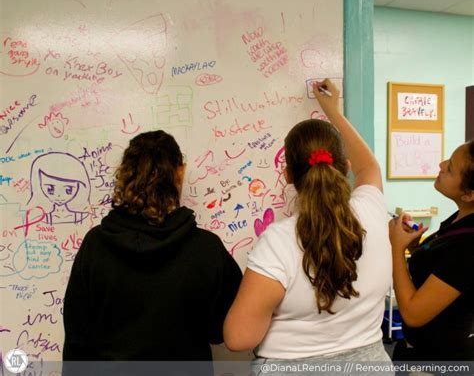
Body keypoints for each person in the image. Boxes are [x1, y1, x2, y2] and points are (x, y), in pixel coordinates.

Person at [224, 79, 392, 365]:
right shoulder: (373, 213)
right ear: (345, 168)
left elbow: (239, 338)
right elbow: (369, 166)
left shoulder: (279, 241)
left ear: (288, 175)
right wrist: (332, 110)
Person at [63, 130, 242, 362]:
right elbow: (221, 331)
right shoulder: (206, 248)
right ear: (180, 173)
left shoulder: (95, 245)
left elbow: (77, 340)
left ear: (127, 175)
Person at [390, 141, 474, 360]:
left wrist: (396, 250)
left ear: (468, 194)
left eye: (450, 168)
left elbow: (413, 314)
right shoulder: (460, 219)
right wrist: (415, 246)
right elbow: (439, 269)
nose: (441, 164)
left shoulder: (468, 247)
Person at [28, 151, 91, 225]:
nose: (59, 196)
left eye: (68, 190)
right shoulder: (41, 218)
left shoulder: (82, 216)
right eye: (50, 189)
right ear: (39, 185)